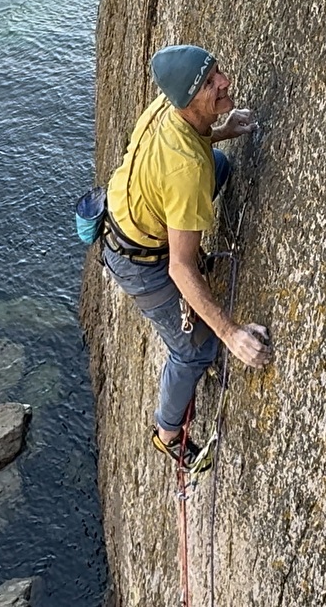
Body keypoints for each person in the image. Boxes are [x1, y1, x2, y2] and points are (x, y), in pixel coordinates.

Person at [101, 44, 272, 469]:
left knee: (219, 165)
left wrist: (222, 130)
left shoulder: (168, 102)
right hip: (140, 261)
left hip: (131, 214)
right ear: (189, 98)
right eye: (211, 83)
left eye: (217, 71)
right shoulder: (185, 172)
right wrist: (231, 334)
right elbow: (178, 266)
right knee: (194, 351)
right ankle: (169, 435)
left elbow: (191, 137)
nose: (225, 82)